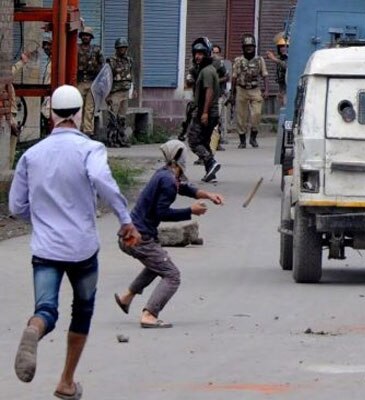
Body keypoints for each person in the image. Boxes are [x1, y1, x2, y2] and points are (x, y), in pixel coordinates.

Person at [8, 85, 141, 399]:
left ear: (50, 113)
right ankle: (66, 382)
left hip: (45, 250)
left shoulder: (31, 155)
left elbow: (16, 207)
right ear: (80, 114)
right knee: (82, 311)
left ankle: (35, 328)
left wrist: (40, 220)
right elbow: (101, 181)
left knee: (46, 310)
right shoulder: (90, 150)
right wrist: (125, 218)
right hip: (82, 249)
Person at [114, 140, 224, 328]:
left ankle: (126, 297)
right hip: (139, 238)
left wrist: (208, 195)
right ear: (178, 160)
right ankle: (149, 314)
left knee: (156, 264)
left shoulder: (165, 175)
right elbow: (161, 213)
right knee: (172, 275)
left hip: (129, 235)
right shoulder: (168, 181)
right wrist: (190, 211)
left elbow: (185, 188)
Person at [186, 37, 222, 182]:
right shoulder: (206, 69)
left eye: (201, 53)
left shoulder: (207, 71)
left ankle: (210, 162)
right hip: (209, 112)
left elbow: (209, 91)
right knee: (205, 142)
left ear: (207, 54)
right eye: (196, 53)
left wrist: (205, 112)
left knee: (194, 140)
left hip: (205, 111)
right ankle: (210, 172)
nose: (197, 56)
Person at [232, 33, 269, 149]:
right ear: (243, 48)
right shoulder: (238, 61)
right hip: (241, 89)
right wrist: (232, 93)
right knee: (241, 117)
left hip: (255, 90)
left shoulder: (259, 60)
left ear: (254, 48)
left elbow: (265, 75)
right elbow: (234, 77)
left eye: (251, 47)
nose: (249, 49)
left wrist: (266, 89)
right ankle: (242, 140)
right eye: (247, 47)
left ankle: (253, 137)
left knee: (256, 114)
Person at [106, 38, 134, 148]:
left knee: (122, 118)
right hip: (115, 92)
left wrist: (133, 89)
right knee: (113, 117)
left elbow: (132, 75)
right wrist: (107, 94)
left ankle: (121, 139)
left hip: (125, 91)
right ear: (116, 49)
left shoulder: (129, 61)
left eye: (124, 48)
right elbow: (107, 78)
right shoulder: (111, 61)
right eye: (120, 48)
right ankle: (111, 139)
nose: (122, 50)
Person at [77, 27, 104, 136]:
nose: (85, 37)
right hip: (80, 82)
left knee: (89, 108)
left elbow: (102, 66)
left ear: (91, 38)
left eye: (87, 35)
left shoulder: (96, 50)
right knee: (78, 106)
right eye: (83, 35)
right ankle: (78, 128)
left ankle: (88, 130)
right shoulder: (76, 48)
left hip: (93, 82)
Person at [212, 44, 232, 150]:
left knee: (217, 120)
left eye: (217, 52)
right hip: (206, 96)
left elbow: (227, 77)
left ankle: (217, 143)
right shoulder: (205, 64)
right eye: (213, 52)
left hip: (218, 95)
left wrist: (216, 81)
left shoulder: (220, 64)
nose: (214, 54)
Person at [266, 34, 289, 107]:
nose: (282, 48)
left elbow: (287, 66)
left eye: (284, 46)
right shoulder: (281, 58)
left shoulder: (290, 57)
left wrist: (274, 59)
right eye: (280, 47)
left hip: (289, 88)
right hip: (282, 87)